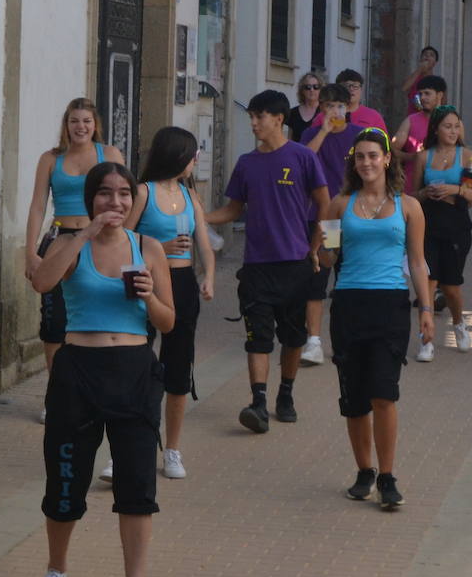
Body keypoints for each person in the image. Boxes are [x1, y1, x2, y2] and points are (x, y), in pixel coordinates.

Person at [29, 162, 174, 577]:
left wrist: (151, 297)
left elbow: (168, 322)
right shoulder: (72, 246)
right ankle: (56, 570)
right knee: (66, 480)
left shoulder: (147, 249)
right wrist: (84, 231)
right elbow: (42, 281)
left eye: (124, 195)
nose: (116, 202)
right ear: (91, 199)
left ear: (134, 200)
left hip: (133, 372)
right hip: (78, 371)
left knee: (137, 488)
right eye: (105, 195)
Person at [319, 128, 433, 510]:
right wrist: (322, 247)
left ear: (387, 159)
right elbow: (327, 260)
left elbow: (417, 262)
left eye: (373, 155)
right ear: (354, 162)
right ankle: (363, 470)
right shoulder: (339, 205)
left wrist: (427, 310)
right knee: (354, 397)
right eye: (360, 156)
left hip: (391, 306)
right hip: (349, 305)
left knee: (384, 393)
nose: (366, 162)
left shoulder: (408, 207)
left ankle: (387, 476)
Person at [205, 90, 331, 433]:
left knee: (292, 338)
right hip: (257, 266)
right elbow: (233, 208)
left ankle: (285, 394)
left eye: (260, 117)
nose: (254, 123)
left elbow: (325, 202)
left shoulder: (303, 157)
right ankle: (258, 402)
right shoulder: (247, 163)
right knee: (257, 338)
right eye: (252, 117)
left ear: (279, 119)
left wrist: (317, 243)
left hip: (295, 263)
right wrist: (199, 216)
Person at [119, 127, 216, 481]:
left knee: (178, 369)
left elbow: (204, 243)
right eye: (192, 154)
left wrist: (209, 276)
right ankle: (126, 447)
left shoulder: (192, 197)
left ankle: (172, 450)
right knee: (137, 364)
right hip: (147, 281)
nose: (196, 160)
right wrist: (160, 245)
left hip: (183, 284)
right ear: (177, 155)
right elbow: (124, 239)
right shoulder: (143, 193)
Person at [25, 98, 126, 422]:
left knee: (92, 316)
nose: (80, 127)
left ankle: (93, 391)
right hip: (59, 241)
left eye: (86, 121)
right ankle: (57, 393)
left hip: (97, 241)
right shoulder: (51, 159)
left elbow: (124, 197)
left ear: (95, 124)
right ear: (65, 125)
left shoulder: (108, 155)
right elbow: (38, 205)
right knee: (54, 323)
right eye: (73, 121)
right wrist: (30, 251)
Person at [412, 106, 472, 360]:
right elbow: (413, 196)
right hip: (427, 226)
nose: (453, 131)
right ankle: (427, 339)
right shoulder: (423, 157)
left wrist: (455, 190)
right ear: (435, 129)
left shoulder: (468, 156)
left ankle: (458, 323)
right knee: (428, 282)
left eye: (456, 126)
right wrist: (426, 193)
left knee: (451, 286)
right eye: (447, 126)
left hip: (457, 227)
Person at [299, 83, 364, 366]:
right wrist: (324, 131)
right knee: (317, 276)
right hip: (321, 218)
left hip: (349, 217)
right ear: (320, 109)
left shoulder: (357, 136)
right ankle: (313, 341)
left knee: (347, 279)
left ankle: (345, 340)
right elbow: (304, 161)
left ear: (348, 108)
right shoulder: (311, 134)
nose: (335, 112)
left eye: (340, 106)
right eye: (329, 106)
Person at [392, 73, 445, 195]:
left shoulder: (452, 121)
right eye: (420, 94)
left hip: (443, 189)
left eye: (427, 93)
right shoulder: (411, 121)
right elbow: (391, 150)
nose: (422, 98)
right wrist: (412, 157)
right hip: (413, 190)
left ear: (440, 95)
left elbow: (461, 153)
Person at [310, 69, 387, 131]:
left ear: (361, 89)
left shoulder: (373, 116)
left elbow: (385, 146)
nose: (351, 89)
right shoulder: (323, 117)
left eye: (355, 86)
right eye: (347, 86)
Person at [287, 72, 324, 142]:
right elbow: (290, 140)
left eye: (316, 87)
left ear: (320, 90)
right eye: (308, 87)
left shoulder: (325, 111)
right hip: (297, 152)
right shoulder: (293, 113)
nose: (312, 90)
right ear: (302, 91)